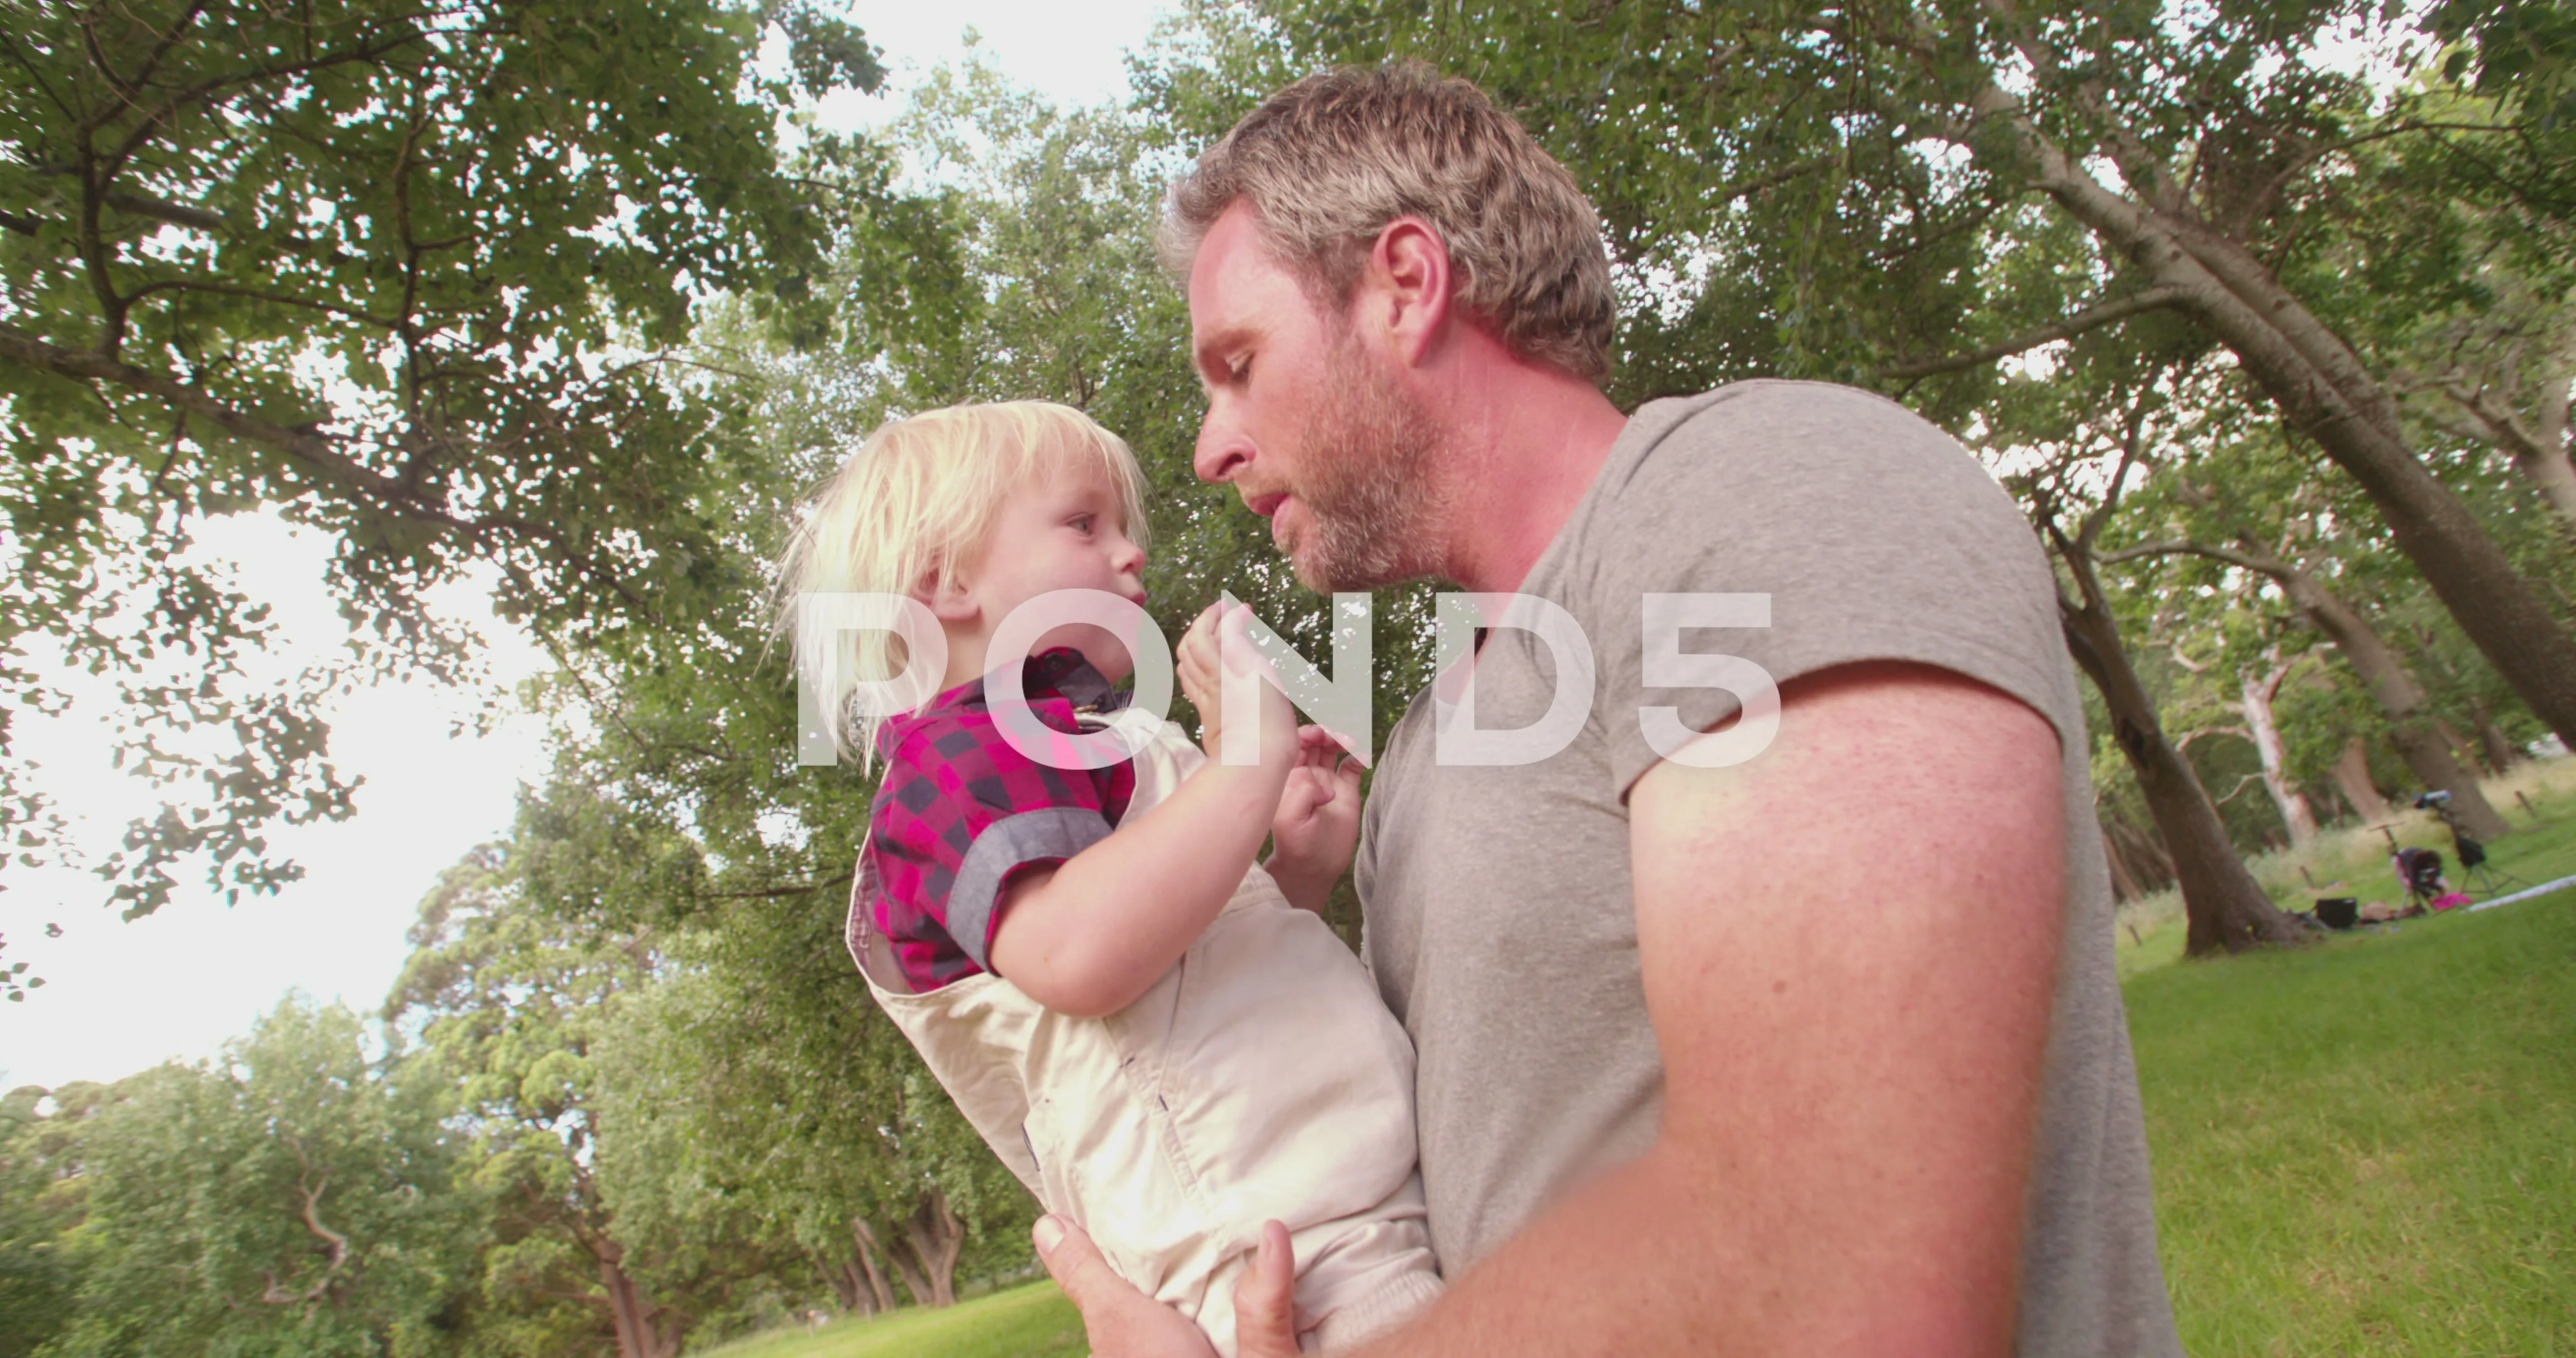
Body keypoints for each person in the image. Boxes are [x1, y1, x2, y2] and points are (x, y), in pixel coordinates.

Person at [1031, 65, 2187, 1357]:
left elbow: (1830, 1274)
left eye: (1237, 366)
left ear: (1403, 286)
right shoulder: (1421, 750)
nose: (1208, 447)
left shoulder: (1757, 489)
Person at [780, 402, 1443, 1355]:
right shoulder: (955, 760)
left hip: (1343, 1204)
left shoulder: (1081, 742)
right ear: (945, 581)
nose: (1131, 552)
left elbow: (1182, 990)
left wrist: (1288, 868)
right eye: (1084, 523)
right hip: (1286, 1261)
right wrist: (1246, 760)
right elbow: (1081, 958)